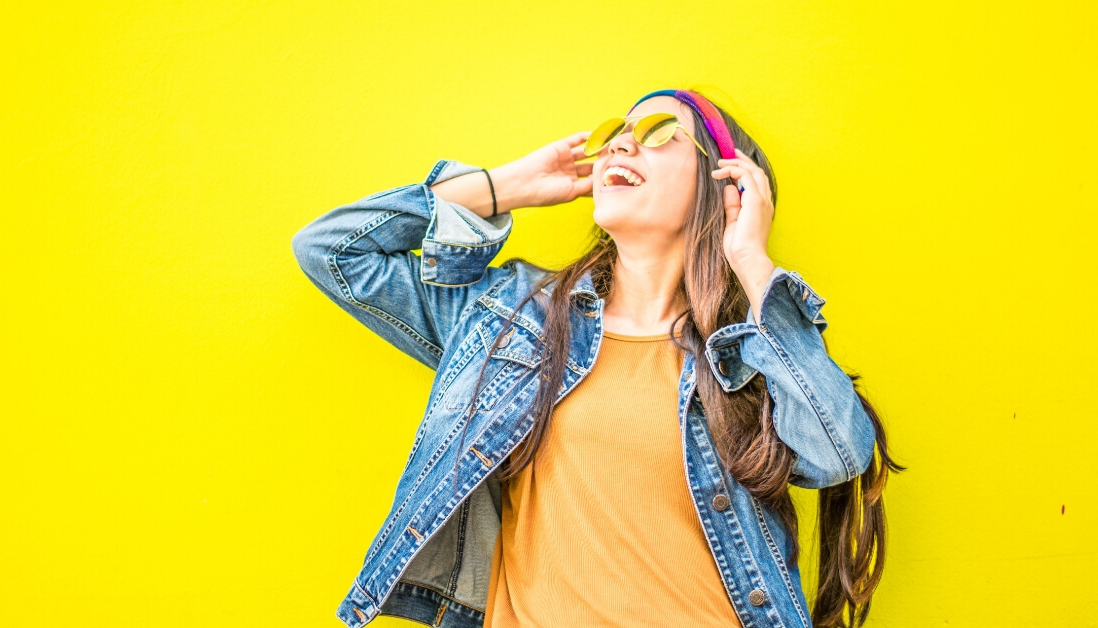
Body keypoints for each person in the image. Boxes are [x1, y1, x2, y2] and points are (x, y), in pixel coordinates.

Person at [292, 88, 904, 628]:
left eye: (658, 134)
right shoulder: (513, 317)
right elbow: (332, 250)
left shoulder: (747, 352)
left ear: (727, 184)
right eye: (613, 137)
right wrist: (507, 186)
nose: (619, 148)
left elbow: (839, 452)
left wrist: (754, 263)